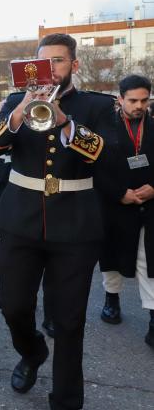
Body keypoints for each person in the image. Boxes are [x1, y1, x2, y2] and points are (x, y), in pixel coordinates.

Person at [0, 33, 115, 410]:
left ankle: (66, 400)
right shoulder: (16, 101)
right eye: (45, 62)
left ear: (73, 65)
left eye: (58, 61)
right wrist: (21, 108)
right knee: (12, 304)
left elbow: (105, 153)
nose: (52, 69)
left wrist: (64, 123)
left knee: (69, 319)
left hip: (75, 223)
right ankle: (31, 352)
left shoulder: (96, 105)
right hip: (20, 220)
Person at [97, 74, 154, 347]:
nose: (139, 105)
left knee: (149, 260)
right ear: (120, 99)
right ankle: (112, 299)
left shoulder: (153, 126)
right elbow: (93, 167)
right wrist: (119, 193)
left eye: (144, 100)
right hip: (114, 204)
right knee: (111, 254)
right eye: (133, 100)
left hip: (149, 204)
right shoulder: (104, 127)